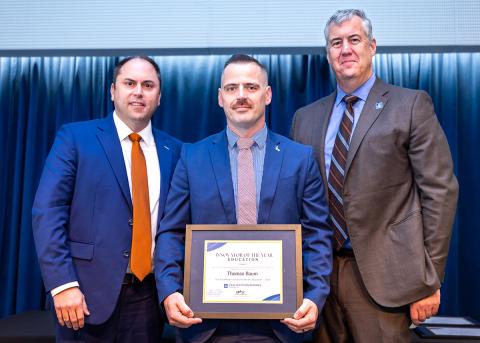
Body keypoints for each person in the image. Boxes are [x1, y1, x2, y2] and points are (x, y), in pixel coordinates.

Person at [290, 9, 459, 342]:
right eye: (336, 43)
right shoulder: (304, 119)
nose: (345, 49)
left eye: (354, 39)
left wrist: (429, 279)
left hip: (388, 282)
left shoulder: (410, 105)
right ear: (327, 54)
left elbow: (440, 193)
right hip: (319, 282)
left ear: (372, 46)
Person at [154, 54, 332, 343]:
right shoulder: (191, 157)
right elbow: (172, 232)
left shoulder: (300, 158)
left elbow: (317, 235)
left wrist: (314, 296)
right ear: (220, 98)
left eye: (250, 87)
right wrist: (170, 291)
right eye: (231, 88)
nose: (241, 96)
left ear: (268, 94)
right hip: (204, 324)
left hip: (283, 323)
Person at [32, 56, 182, 342]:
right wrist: (62, 285)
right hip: (83, 295)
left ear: (159, 97)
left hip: (149, 299)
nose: (138, 91)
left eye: (148, 85)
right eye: (130, 83)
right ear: (113, 91)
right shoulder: (75, 138)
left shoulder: (175, 150)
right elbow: (47, 212)